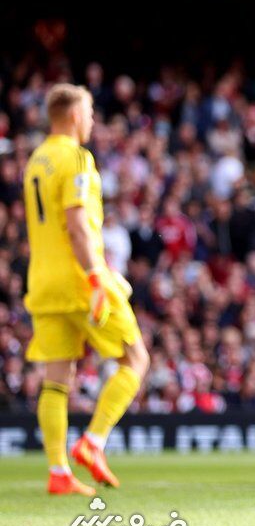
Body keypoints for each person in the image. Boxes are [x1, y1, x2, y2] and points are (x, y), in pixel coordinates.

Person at [24, 84, 149, 496]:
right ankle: (93, 442)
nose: (93, 119)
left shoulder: (36, 161)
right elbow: (77, 225)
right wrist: (97, 276)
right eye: (91, 111)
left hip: (43, 282)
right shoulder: (76, 156)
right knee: (135, 358)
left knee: (57, 375)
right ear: (75, 114)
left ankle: (58, 470)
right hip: (81, 280)